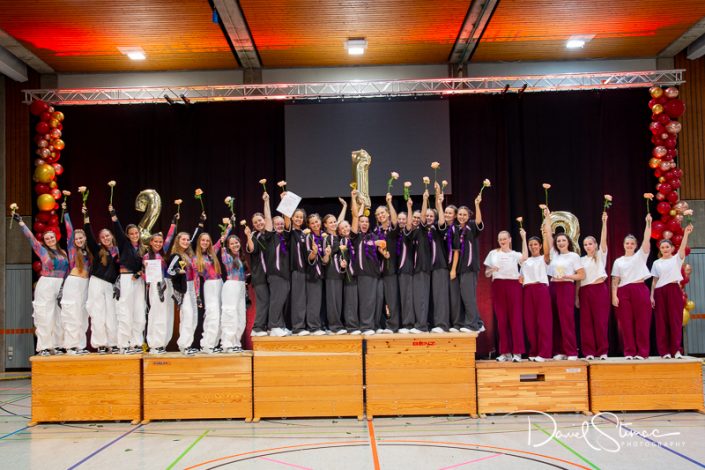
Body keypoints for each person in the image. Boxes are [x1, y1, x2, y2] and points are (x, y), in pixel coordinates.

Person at [13, 213, 69, 356]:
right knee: (44, 315)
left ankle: (57, 345)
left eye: (51, 237)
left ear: (56, 237)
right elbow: (31, 238)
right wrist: (21, 223)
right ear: (44, 241)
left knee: (59, 316)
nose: (50, 240)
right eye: (47, 238)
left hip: (60, 285)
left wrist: (64, 287)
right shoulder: (42, 250)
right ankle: (44, 347)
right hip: (46, 285)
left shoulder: (63, 252)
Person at [544, 208, 585, 360]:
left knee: (566, 319)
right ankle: (560, 351)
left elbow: (581, 275)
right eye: (559, 241)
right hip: (553, 287)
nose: (560, 242)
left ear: (568, 242)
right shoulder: (554, 254)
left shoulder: (574, 256)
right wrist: (548, 217)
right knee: (555, 319)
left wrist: (568, 276)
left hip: (566, 287)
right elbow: (549, 234)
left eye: (563, 240)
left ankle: (571, 351)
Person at [611, 214, 653, 360]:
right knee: (626, 324)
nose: (629, 245)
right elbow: (615, 280)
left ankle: (642, 352)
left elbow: (646, 239)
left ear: (635, 246)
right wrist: (614, 296)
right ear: (623, 245)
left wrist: (648, 223)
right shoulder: (618, 261)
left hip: (639, 289)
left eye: (632, 243)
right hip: (623, 291)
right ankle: (629, 352)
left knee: (642, 322)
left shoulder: (640, 255)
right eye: (627, 243)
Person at [651, 224, 693, 359]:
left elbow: (683, 247)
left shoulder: (677, 259)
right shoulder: (656, 263)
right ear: (660, 249)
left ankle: (676, 350)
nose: (665, 249)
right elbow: (654, 281)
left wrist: (686, 233)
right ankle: (665, 352)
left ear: (672, 248)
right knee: (661, 322)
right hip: (659, 292)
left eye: (667, 247)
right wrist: (652, 296)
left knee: (675, 320)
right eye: (662, 247)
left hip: (674, 290)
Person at [83, 205, 120, 354]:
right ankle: (101, 344)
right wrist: (86, 218)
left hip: (111, 285)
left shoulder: (118, 250)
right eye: (103, 237)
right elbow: (89, 235)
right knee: (97, 313)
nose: (105, 238)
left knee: (112, 314)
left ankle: (113, 343)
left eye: (107, 236)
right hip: (97, 282)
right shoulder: (98, 250)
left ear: (112, 236)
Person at [110, 204, 146, 353]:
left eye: (136, 233)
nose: (134, 235)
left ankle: (136, 343)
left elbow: (146, 265)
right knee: (125, 310)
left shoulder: (143, 248)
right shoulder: (124, 244)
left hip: (138, 280)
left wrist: (141, 272)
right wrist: (113, 214)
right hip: (126, 279)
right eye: (131, 233)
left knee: (139, 310)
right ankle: (124, 344)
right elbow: (117, 229)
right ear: (128, 235)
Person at [484, 230, 525, 362]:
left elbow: (525, 259)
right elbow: (487, 274)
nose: (502, 241)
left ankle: (517, 352)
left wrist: (524, 238)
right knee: (502, 320)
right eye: (500, 239)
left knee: (516, 319)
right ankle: (505, 352)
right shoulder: (493, 253)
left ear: (510, 239)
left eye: (504, 239)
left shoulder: (515, 254)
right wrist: (492, 269)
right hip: (498, 286)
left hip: (513, 286)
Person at [351, 189, 385, 335]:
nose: (364, 224)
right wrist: (353, 199)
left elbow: (382, 250)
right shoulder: (356, 236)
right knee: (366, 301)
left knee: (376, 300)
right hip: (363, 274)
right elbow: (355, 216)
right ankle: (366, 327)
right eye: (362, 221)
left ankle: (374, 325)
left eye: (366, 221)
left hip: (375, 273)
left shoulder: (374, 236)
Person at [143, 213, 177, 354]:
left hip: (167, 284)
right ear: (151, 242)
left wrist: (173, 223)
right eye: (155, 241)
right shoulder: (147, 256)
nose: (158, 244)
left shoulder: (163, 254)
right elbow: (145, 277)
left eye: (160, 242)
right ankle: (154, 343)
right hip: (155, 286)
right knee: (156, 313)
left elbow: (169, 237)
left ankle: (163, 343)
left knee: (167, 314)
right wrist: (145, 271)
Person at [577, 212, 610, 360]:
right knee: (586, 323)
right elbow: (579, 280)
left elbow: (603, 240)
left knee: (600, 321)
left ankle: (602, 351)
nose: (588, 246)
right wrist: (576, 296)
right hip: (585, 291)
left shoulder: (600, 255)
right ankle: (589, 351)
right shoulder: (581, 260)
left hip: (599, 289)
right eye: (585, 244)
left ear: (595, 245)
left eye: (590, 244)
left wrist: (604, 222)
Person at [450, 198, 485, 333]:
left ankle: (472, 325)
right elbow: (456, 251)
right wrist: (454, 269)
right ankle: (477, 323)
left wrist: (477, 205)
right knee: (464, 296)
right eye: (460, 214)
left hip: (470, 267)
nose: (462, 217)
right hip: (461, 268)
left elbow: (479, 222)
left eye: (464, 214)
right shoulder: (456, 229)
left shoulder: (472, 226)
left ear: (469, 216)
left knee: (468, 296)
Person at [60, 207, 91, 354]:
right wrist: (66, 212)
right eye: (76, 238)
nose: (78, 240)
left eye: (81, 238)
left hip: (85, 284)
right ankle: (70, 346)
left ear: (85, 238)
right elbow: (69, 230)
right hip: (73, 283)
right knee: (72, 313)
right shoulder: (72, 249)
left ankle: (80, 345)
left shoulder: (89, 252)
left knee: (83, 315)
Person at [519, 229, 552, 362]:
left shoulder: (544, 259)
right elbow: (521, 277)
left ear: (540, 246)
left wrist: (545, 236)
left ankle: (544, 352)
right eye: (531, 245)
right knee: (530, 322)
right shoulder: (525, 261)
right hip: (527, 290)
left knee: (543, 322)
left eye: (535, 244)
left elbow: (547, 252)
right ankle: (534, 351)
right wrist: (524, 237)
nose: (533, 247)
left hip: (541, 289)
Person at [193, 227, 227, 353]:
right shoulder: (195, 258)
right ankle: (206, 344)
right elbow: (196, 279)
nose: (205, 242)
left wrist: (229, 224)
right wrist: (197, 296)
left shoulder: (212, 252)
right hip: (209, 286)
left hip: (220, 283)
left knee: (220, 315)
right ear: (199, 241)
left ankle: (214, 344)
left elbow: (223, 237)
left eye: (207, 240)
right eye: (203, 240)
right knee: (212, 315)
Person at [405, 191, 432, 333]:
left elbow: (422, 218)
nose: (416, 220)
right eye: (413, 218)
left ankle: (422, 326)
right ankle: (419, 324)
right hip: (414, 270)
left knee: (421, 298)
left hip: (423, 268)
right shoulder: (412, 232)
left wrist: (424, 199)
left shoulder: (423, 230)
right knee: (416, 298)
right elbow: (408, 226)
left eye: (418, 218)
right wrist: (409, 208)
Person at [246, 192, 273, 337]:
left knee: (273, 302)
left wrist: (266, 202)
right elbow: (251, 249)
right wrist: (248, 237)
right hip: (260, 276)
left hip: (273, 275)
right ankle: (257, 327)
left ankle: (269, 326)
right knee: (263, 301)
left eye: (260, 220)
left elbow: (269, 219)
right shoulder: (254, 236)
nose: (258, 223)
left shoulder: (270, 234)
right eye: (255, 222)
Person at [373, 193, 399, 333]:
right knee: (379, 299)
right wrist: (381, 252)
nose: (380, 215)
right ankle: (378, 325)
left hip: (391, 269)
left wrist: (389, 203)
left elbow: (394, 220)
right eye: (378, 214)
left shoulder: (392, 229)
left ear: (388, 214)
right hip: (378, 271)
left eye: (382, 213)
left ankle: (392, 325)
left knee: (392, 298)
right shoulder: (376, 231)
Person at [263, 213, 292, 337]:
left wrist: (287, 211)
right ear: (273, 226)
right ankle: (273, 326)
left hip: (285, 275)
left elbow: (288, 223)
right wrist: (266, 204)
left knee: (281, 301)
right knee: (276, 300)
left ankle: (280, 325)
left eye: (281, 223)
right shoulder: (270, 236)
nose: (280, 225)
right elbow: (268, 220)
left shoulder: (285, 236)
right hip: (275, 274)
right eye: (277, 224)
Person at [220, 233, 248, 352]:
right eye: (231, 243)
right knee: (230, 313)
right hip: (231, 286)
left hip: (241, 286)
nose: (235, 245)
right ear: (228, 246)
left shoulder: (240, 257)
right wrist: (223, 240)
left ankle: (236, 342)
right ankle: (227, 343)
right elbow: (223, 251)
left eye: (236, 242)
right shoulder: (227, 256)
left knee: (241, 316)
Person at [288, 207, 309, 335]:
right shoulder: (290, 231)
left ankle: (303, 325)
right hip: (295, 270)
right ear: (291, 217)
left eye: (301, 217)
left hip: (305, 270)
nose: (299, 219)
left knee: (303, 299)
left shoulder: (304, 233)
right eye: (296, 216)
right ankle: (297, 327)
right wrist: (285, 202)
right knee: (298, 299)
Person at [337, 219, 361, 334]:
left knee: (359, 301)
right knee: (351, 301)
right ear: (340, 232)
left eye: (346, 226)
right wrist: (342, 265)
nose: (345, 229)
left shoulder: (356, 238)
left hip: (360, 274)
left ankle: (361, 324)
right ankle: (351, 326)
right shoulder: (342, 241)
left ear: (351, 226)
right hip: (349, 274)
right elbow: (341, 258)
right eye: (342, 228)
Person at [395, 210, 415, 334]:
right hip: (394, 270)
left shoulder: (409, 233)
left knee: (407, 297)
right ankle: (398, 323)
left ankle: (408, 324)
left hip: (406, 268)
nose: (401, 221)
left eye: (404, 219)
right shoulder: (394, 233)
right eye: (400, 219)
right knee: (397, 298)